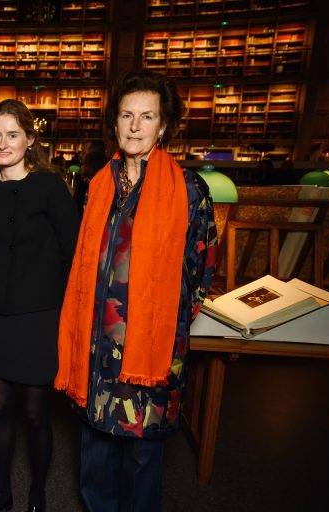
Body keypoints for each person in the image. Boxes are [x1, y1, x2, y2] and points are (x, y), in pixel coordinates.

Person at [55, 70, 217, 512]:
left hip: (151, 352)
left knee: (144, 462)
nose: (134, 126)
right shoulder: (98, 184)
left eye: (147, 117)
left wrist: (164, 323)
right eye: (127, 115)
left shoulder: (188, 190)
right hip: (97, 347)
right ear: (115, 121)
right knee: (96, 460)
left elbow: (203, 270)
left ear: (163, 126)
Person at [0, 100, 79, 512]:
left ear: (30, 140)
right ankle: (2, 494)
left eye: (12, 134)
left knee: (34, 414)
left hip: (38, 317)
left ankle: (37, 494)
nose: (3, 143)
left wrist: (67, 315)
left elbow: (73, 254)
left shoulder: (50, 186)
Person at [74, 140, 108, 218]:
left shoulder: (94, 180)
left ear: (93, 157)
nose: (81, 155)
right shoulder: (84, 178)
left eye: (84, 152)